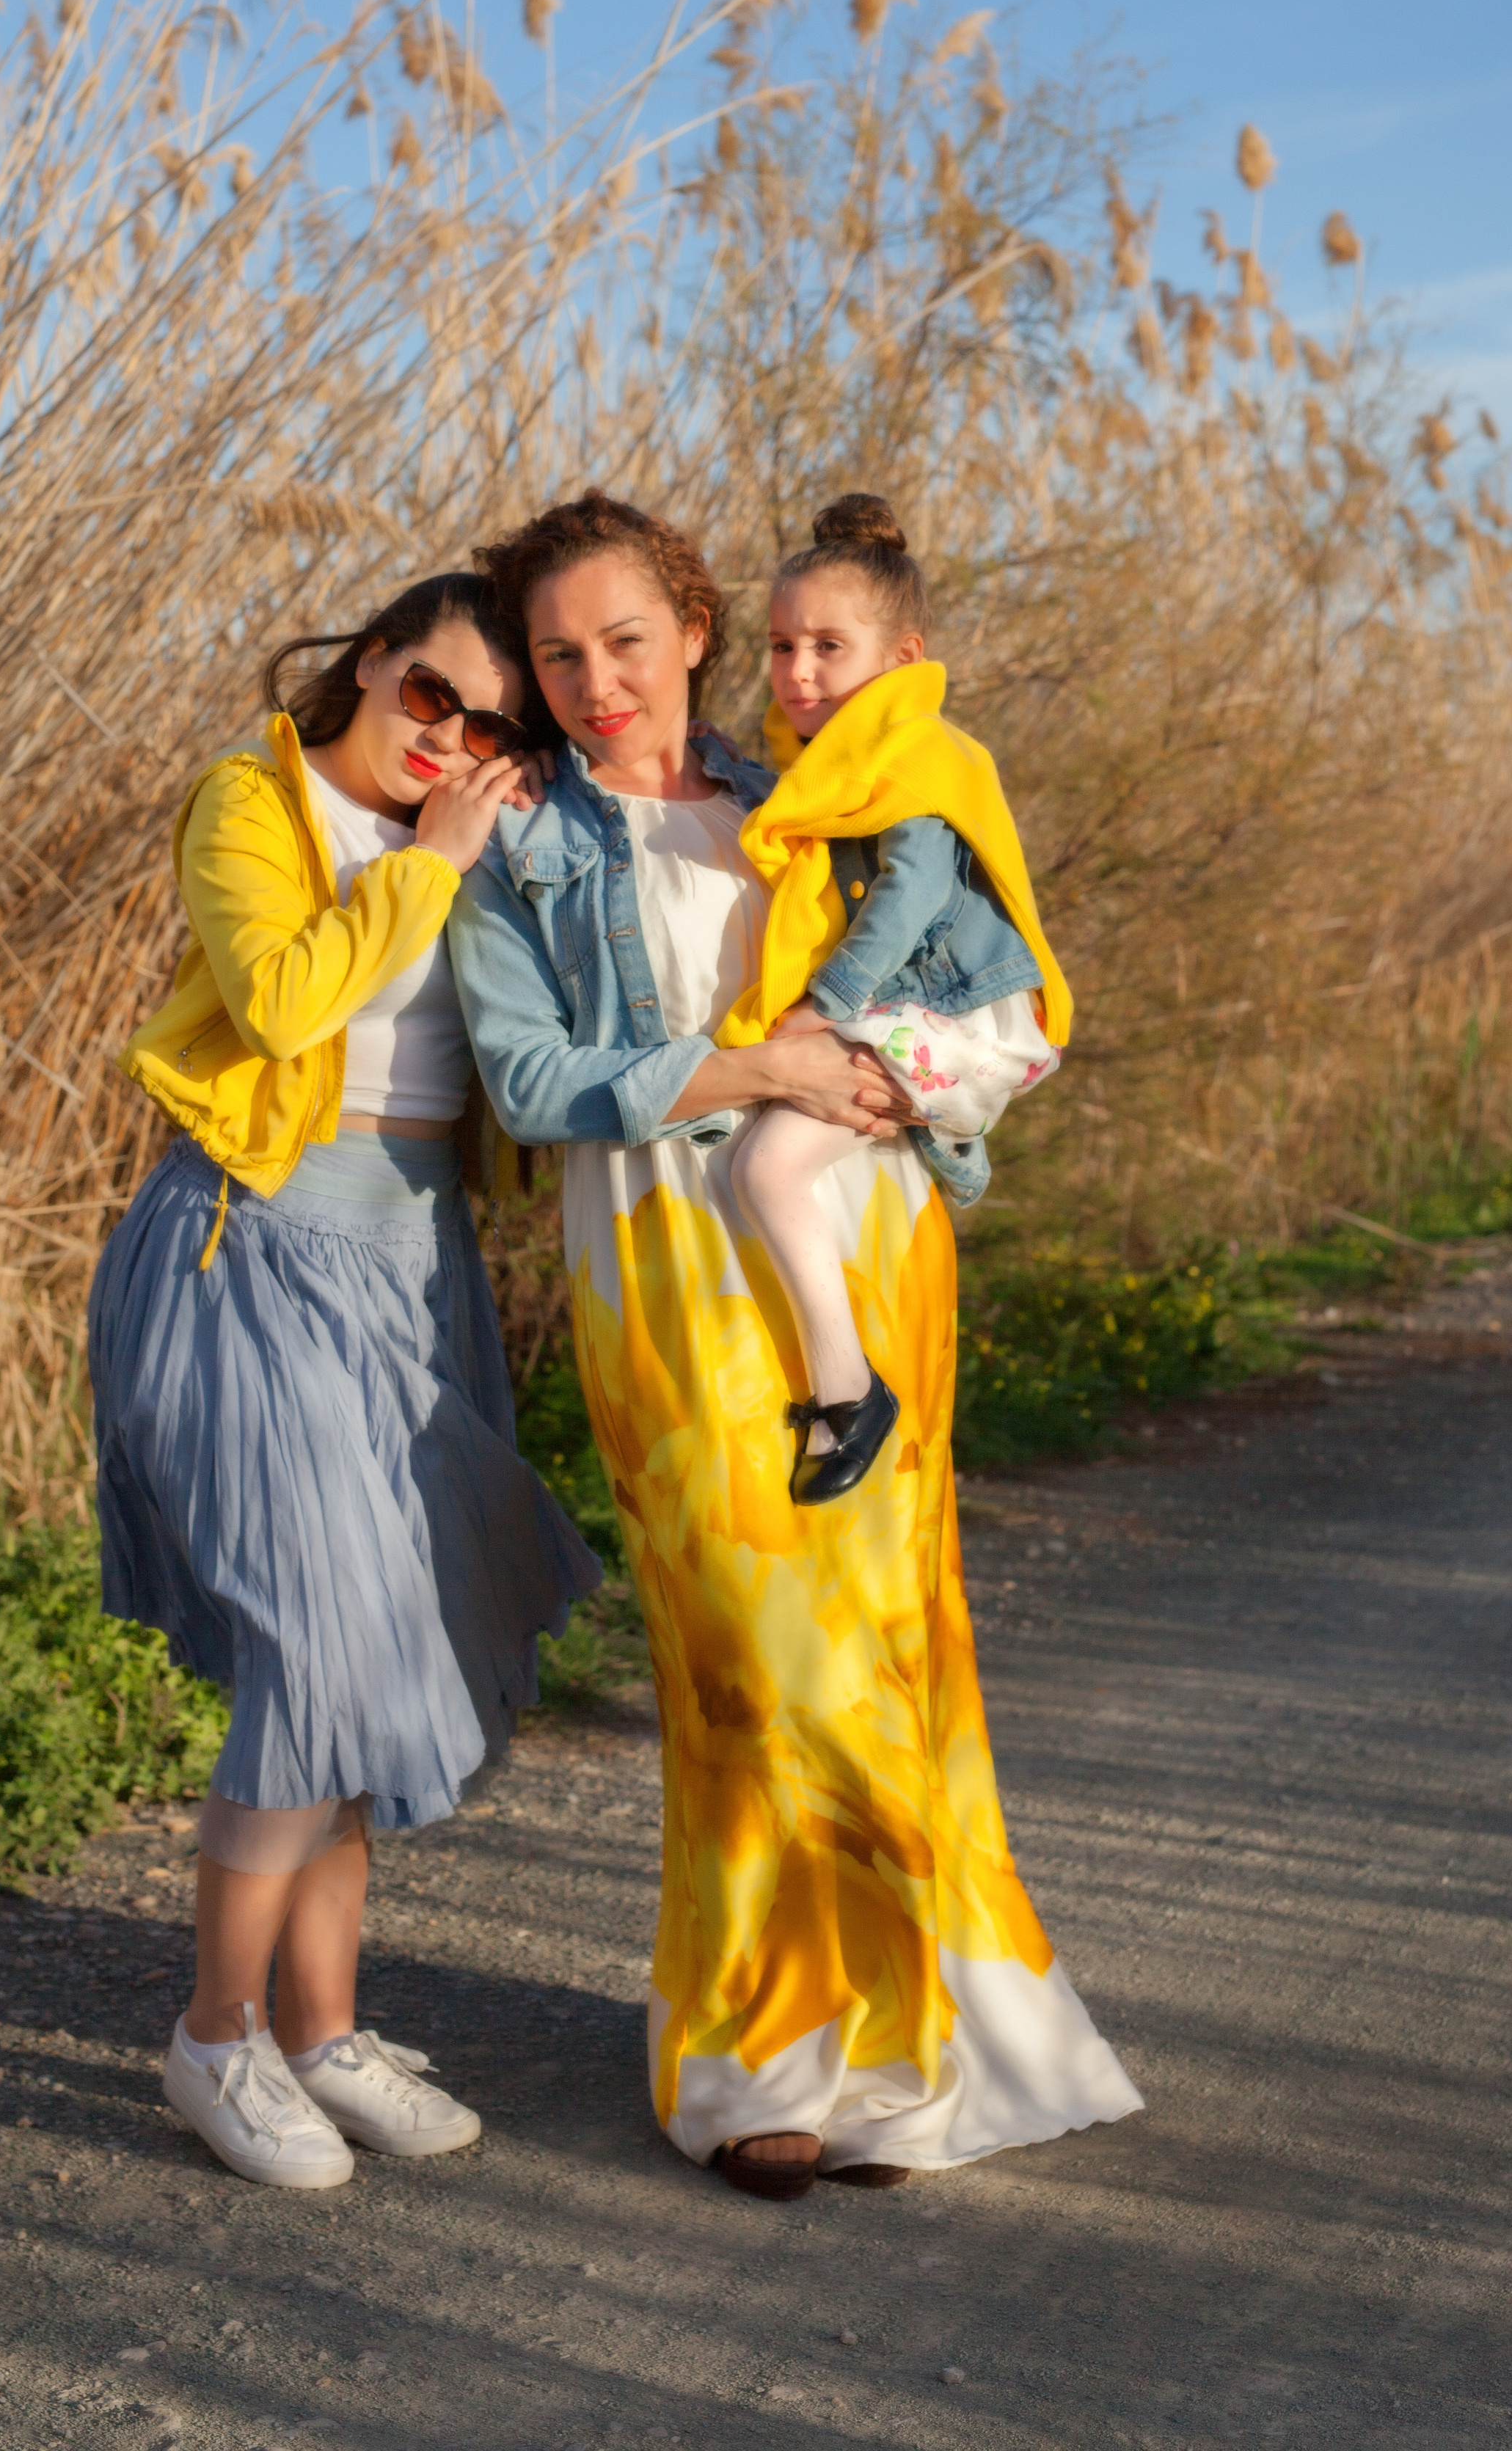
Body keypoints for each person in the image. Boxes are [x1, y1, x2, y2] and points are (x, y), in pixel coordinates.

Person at [448, 487, 1141, 2202]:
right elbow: (536, 1086)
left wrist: (910, 1077)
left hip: (868, 1248)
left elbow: (965, 974)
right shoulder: (522, 836)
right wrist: (765, 1073)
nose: (596, 677)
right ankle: (760, 2046)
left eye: (625, 637)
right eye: (558, 652)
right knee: (751, 1668)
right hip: (672, 1270)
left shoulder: (809, 788)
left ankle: (902, 2057)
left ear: (695, 628)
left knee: (895, 1640)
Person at [88, 573, 601, 2190]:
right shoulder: (255, 799)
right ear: (374, 659)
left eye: (488, 727)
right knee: (315, 1641)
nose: (446, 739)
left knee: (376, 1659)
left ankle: (323, 2029)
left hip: (413, 1262)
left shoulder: (484, 829)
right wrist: (438, 861)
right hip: (250, 1245)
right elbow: (288, 995)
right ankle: (216, 2034)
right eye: (431, 695)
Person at [722, 494, 1068, 1504]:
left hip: (959, 1009)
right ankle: (943, 1145)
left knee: (769, 1166)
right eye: (784, 646)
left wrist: (827, 1001)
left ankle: (847, 1390)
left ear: (901, 655)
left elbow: (913, 890)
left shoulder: (914, 754)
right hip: (927, 1010)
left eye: (829, 646)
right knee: (767, 1160)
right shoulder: (834, 765)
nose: (798, 672)